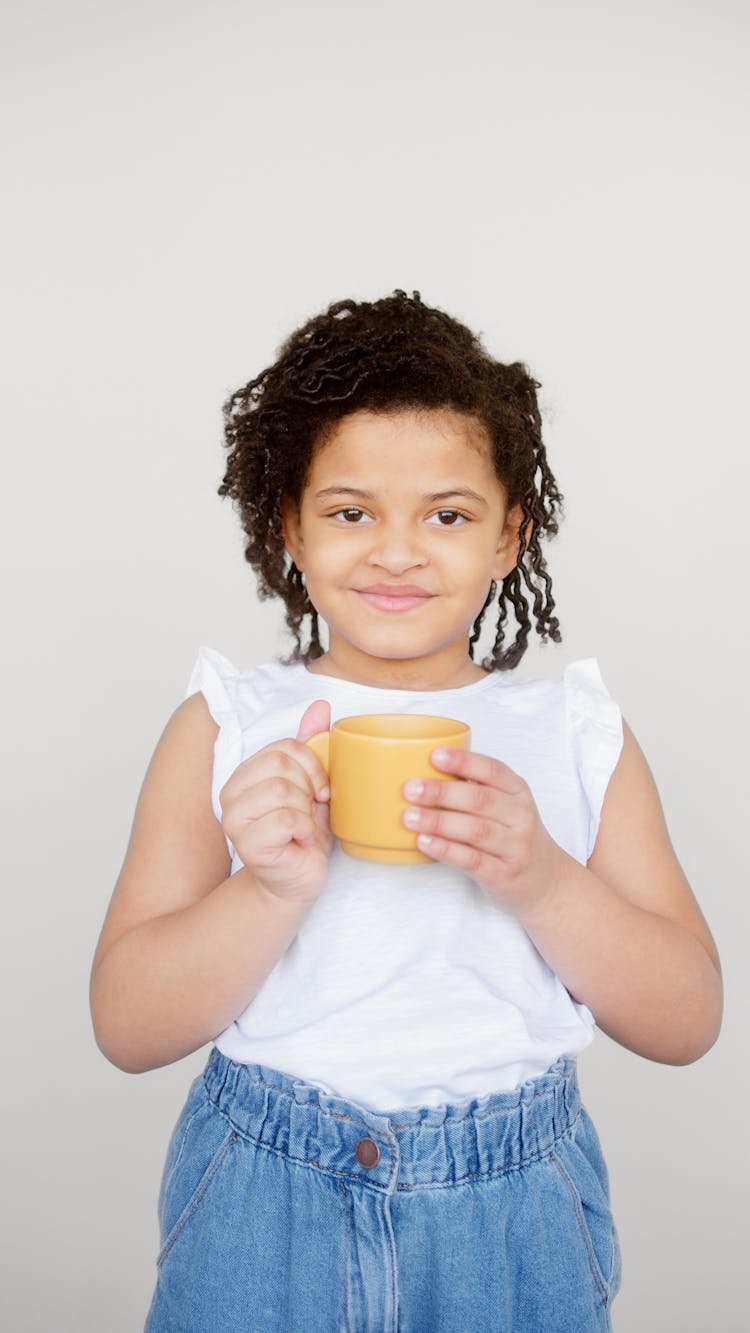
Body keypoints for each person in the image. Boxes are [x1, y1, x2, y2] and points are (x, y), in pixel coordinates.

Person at [90, 290, 722, 1332]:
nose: (396, 551)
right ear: (287, 522)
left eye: (448, 514)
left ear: (509, 536)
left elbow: (688, 1015)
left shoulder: (575, 734)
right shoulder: (226, 724)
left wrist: (544, 878)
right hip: (265, 1198)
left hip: (511, 1212)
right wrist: (269, 888)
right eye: (350, 512)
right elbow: (126, 1023)